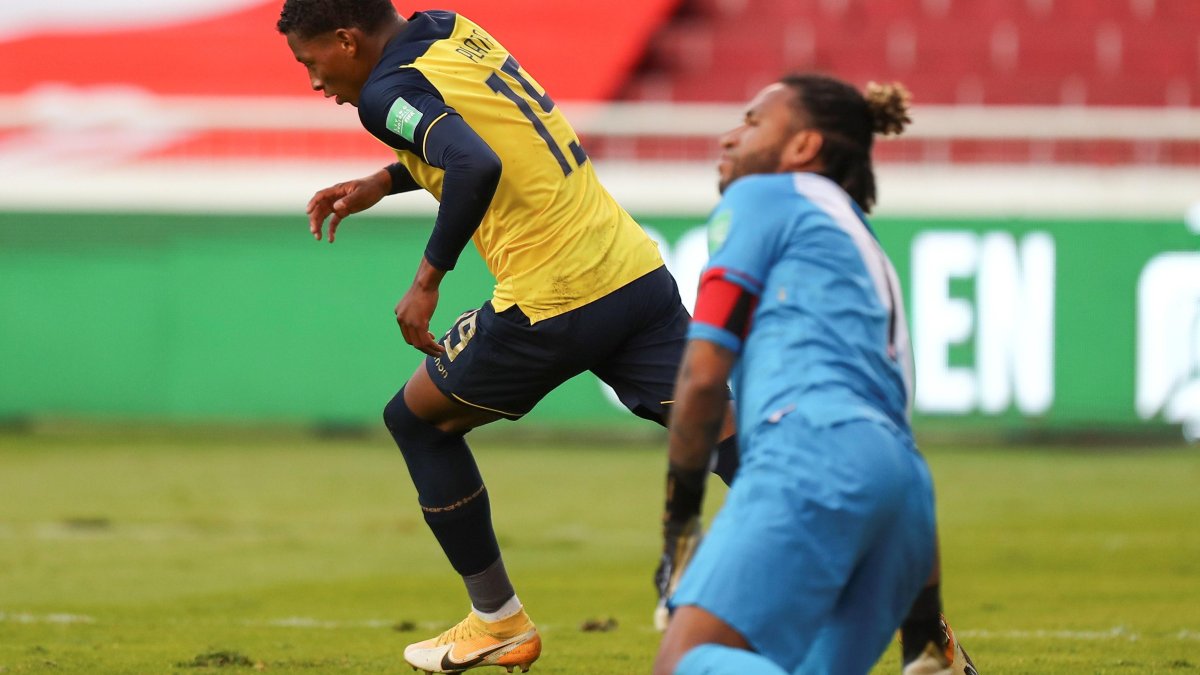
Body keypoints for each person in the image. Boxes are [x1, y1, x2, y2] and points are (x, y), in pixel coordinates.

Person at [275, 2, 739, 672]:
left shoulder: (382, 95)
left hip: (554, 299)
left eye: (310, 62)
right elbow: (498, 134)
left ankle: (497, 621)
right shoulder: (449, 28)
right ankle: (894, 600)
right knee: (723, 435)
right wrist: (385, 177)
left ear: (345, 41)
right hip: (631, 272)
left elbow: (474, 161)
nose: (315, 82)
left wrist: (428, 278)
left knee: (416, 420)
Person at [653, 74, 977, 675]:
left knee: (688, 661)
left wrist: (680, 529)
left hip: (812, 454)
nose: (730, 137)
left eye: (752, 123)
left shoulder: (763, 199)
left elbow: (701, 378)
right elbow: (883, 436)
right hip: (904, 493)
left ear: (802, 147)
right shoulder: (855, 236)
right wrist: (925, 618)